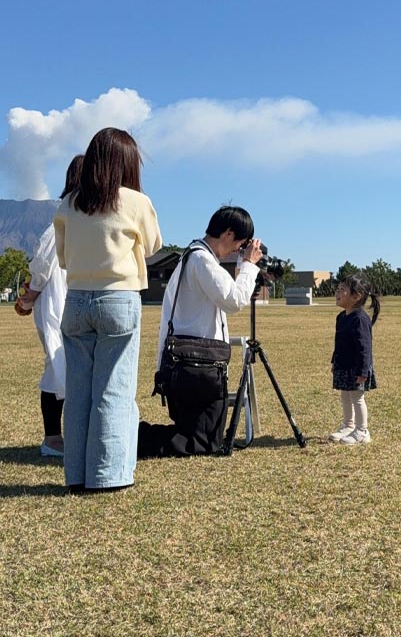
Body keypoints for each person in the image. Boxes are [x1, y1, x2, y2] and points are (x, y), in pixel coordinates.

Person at [54, 128, 162, 493]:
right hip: (118, 297)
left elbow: (63, 256)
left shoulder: (69, 202)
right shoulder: (135, 201)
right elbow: (152, 246)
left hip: (76, 300)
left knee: (79, 391)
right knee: (113, 389)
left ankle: (77, 475)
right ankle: (109, 475)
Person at [137, 206, 263, 458]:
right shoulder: (201, 260)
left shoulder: (194, 256)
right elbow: (234, 299)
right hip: (194, 369)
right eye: (240, 244)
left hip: (192, 366)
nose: (239, 249)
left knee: (203, 438)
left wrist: (245, 266)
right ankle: (131, 436)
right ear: (228, 233)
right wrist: (248, 265)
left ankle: (129, 434)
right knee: (204, 442)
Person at [16, 155, 84, 457]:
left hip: (73, 298)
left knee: (66, 368)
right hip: (60, 300)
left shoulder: (75, 214)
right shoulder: (66, 215)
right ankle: (54, 439)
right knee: (58, 368)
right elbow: (44, 261)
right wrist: (32, 294)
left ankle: (62, 437)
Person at [329, 274, 380, 446]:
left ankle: (362, 431)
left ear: (356, 296)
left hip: (357, 368)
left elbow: (364, 347)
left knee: (357, 397)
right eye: (338, 288)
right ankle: (348, 425)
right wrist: (334, 361)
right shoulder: (341, 317)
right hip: (343, 365)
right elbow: (339, 342)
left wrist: (363, 371)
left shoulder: (360, 319)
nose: (337, 292)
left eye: (343, 289)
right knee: (345, 396)